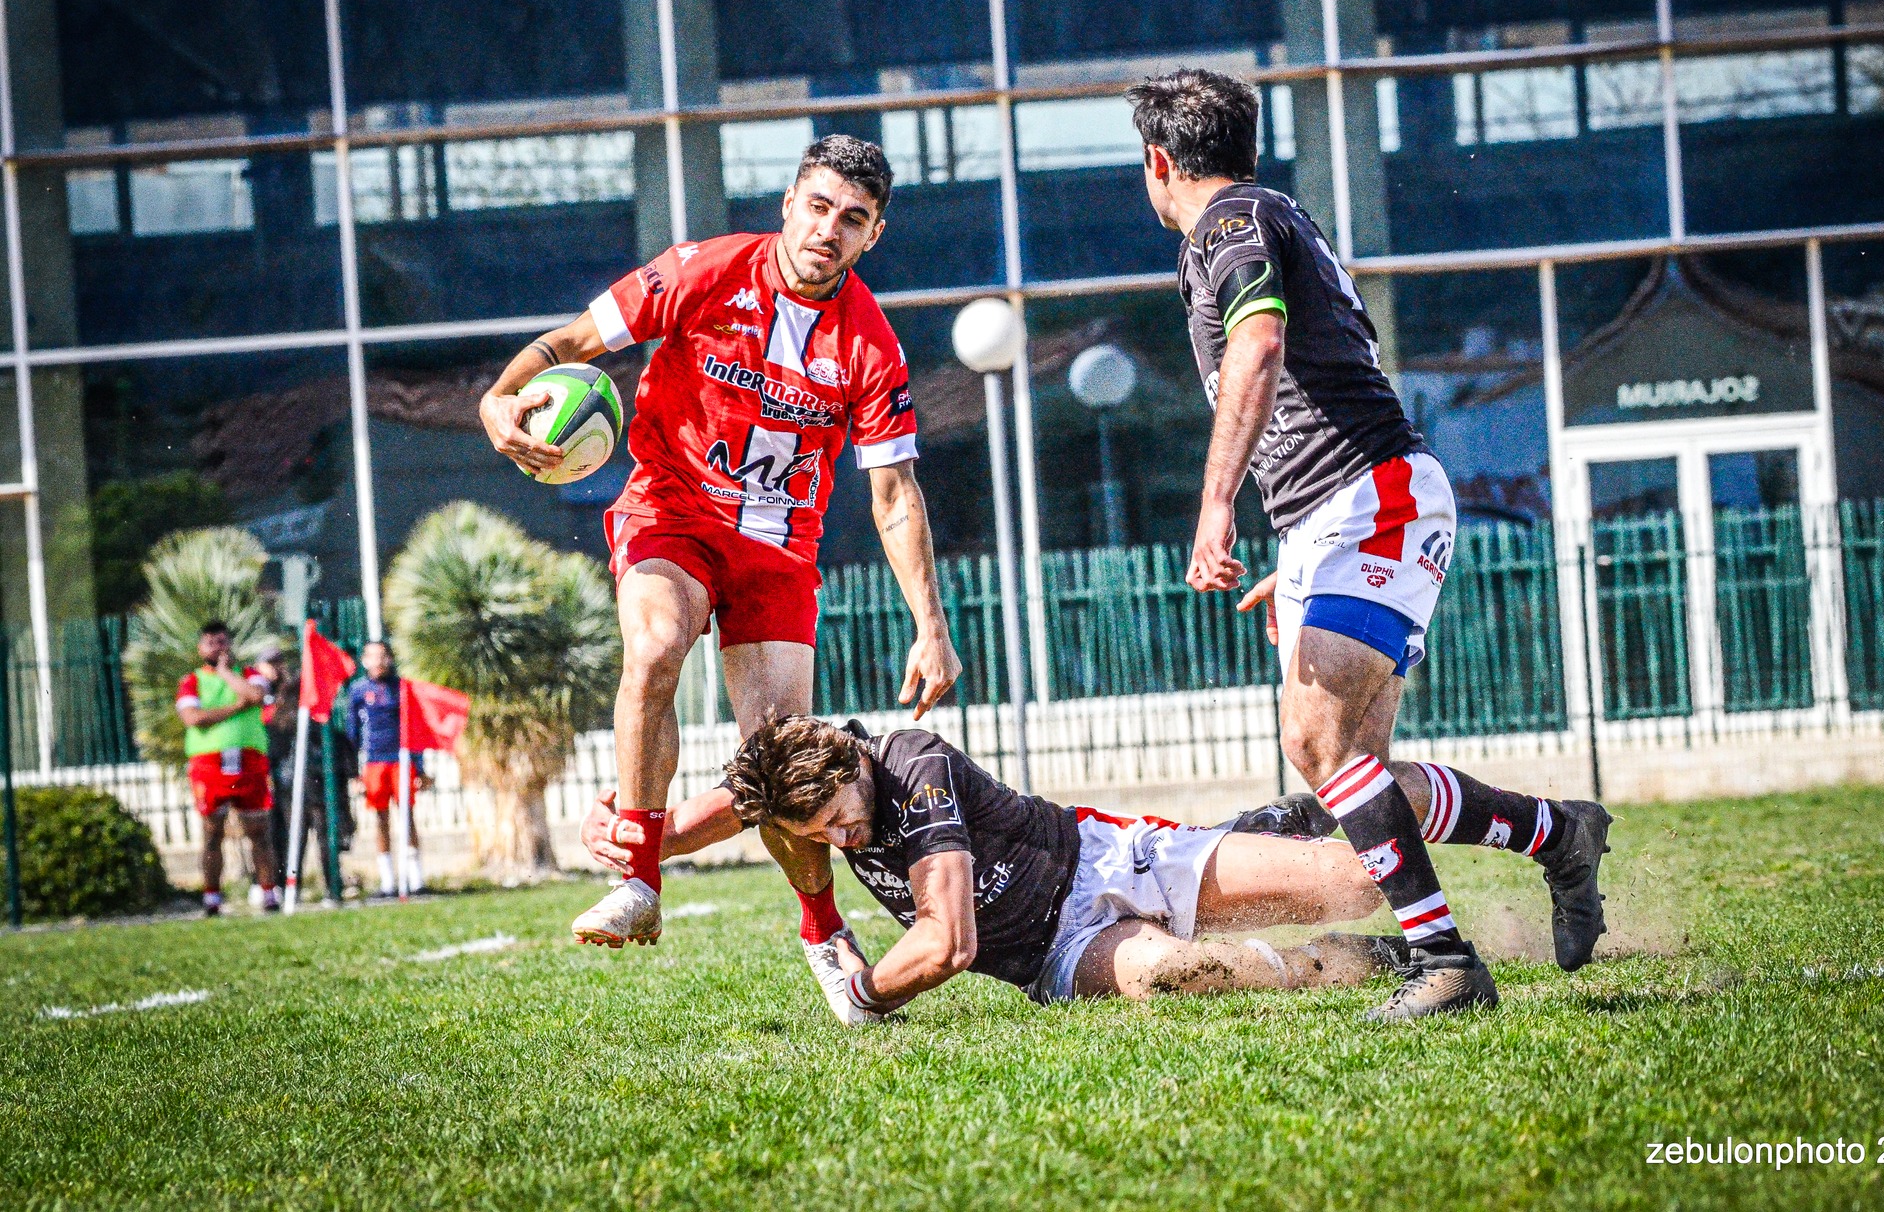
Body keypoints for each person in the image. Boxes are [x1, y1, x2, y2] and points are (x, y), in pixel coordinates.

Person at [1125, 69, 1612, 1020]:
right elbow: (1335, 366)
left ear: (1158, 160)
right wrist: (1302, 552)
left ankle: (1447, 962)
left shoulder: (1230, 223)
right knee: (1357, 781)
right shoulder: (1265, 221)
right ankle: (1559, 834)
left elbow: (1261, 348)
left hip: (1369, 500)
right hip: (1343, 510)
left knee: (1313, 742)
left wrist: (1217, 505)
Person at [479, 136, 962, 996]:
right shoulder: (702, 271)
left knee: (782, 761)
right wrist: (498, 396)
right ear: (789, 204)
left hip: (779, 549)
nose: (829, 230)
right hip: (672, 508)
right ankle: (638, 880)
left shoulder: (871, 346)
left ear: (873, 236)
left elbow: (894, 495)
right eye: (819, 207)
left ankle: (822, 929)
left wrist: (931, 626)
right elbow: (572, 341)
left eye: (853, 219)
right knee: (656, 646)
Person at [712, 715, 1410, 1017]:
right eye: (817, 834)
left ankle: (1477, 816)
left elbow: (947, 943)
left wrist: (861, 993)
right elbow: (687, 821)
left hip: (1104, 858)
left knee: (1356, 883)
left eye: (839, 817)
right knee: (1177, 974)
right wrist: (649, 838)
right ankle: (1385, 958)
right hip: (1058, 955)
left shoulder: (912, 764)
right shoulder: (804, 802)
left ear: (852, 765)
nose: (838, 840)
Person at [176, 620, 280, 916]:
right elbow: (194, 718)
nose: (217, 648)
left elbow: (256, 697)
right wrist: (236, 707)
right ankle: (212, 898)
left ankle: (269, 894)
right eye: (211, 643)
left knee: (258, 831)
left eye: (222, 642)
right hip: (209, 763)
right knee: (212, 832)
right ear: (200, 648)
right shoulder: (192, 681)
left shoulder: (248, 674)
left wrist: (225, 673)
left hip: (249, 760)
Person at [262, 649, 353, 903]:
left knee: (310, 837)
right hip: (295, 783)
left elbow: (337, 743)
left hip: (308, 782)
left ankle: (320, 888)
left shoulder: (314, 716)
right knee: (301, 837)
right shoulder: (285, 714)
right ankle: (301, 889)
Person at [342, 641, 426, 897]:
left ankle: (415, 879)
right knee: (380, 818)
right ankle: (387, 881)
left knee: (407, 815)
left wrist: (420, 767)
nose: (378, 662)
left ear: (389, 658)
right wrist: (354, 772)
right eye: (373, 657)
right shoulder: (358, 690)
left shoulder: (402, 688)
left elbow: (414, 727)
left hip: (401, 759)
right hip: (374, 761)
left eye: (382, 656)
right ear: (364, 660)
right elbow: (352, 733)